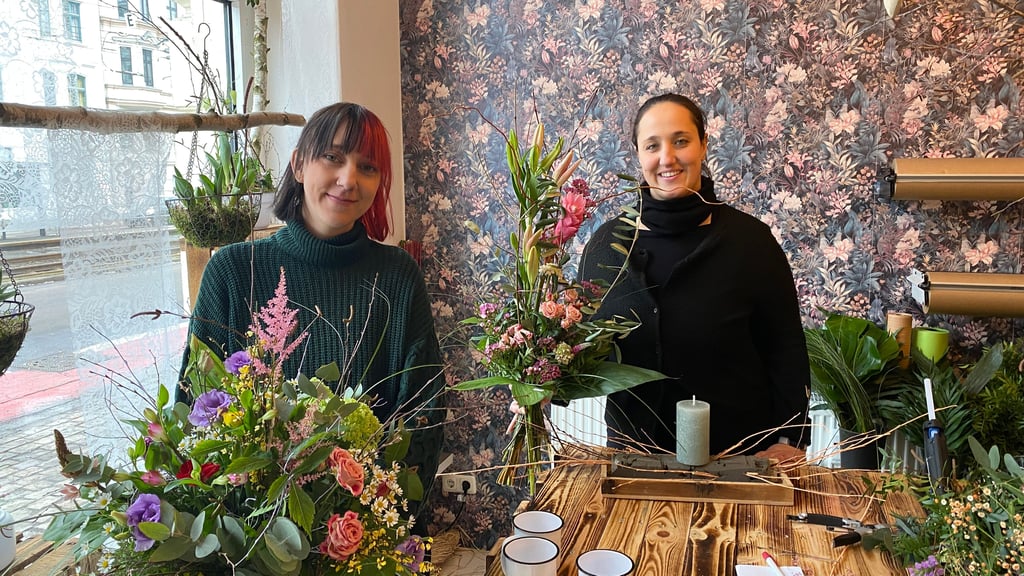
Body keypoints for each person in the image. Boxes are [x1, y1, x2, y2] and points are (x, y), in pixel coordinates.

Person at [177, 102, 445, 509]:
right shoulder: (233, 271)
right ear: (299, 165)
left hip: (366, 528)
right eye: (332, 157)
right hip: (254, 534)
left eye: (367, 167)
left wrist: (368, 517)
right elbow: (194, 416)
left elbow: (425, 418)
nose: (348, 179)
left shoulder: (398, 276)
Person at [579, 93, 809, 460]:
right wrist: (538, 386)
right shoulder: (607, 245)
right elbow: (579, 342)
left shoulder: (751, 243)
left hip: (737, 457)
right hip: (635, 458)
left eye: (681, 141)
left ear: (703, 145)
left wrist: (790, 438)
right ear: (638, 154)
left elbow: (785, 347)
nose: (667, 158)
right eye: (652, 145)